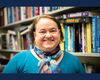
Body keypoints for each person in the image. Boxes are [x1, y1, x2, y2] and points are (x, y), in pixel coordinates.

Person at [3, 15, 85, 73]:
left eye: (53, 31)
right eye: (43, 31)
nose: (48, 35)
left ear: (59, 33)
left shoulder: (74, 61)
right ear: (35, 35)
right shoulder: (18, 59)